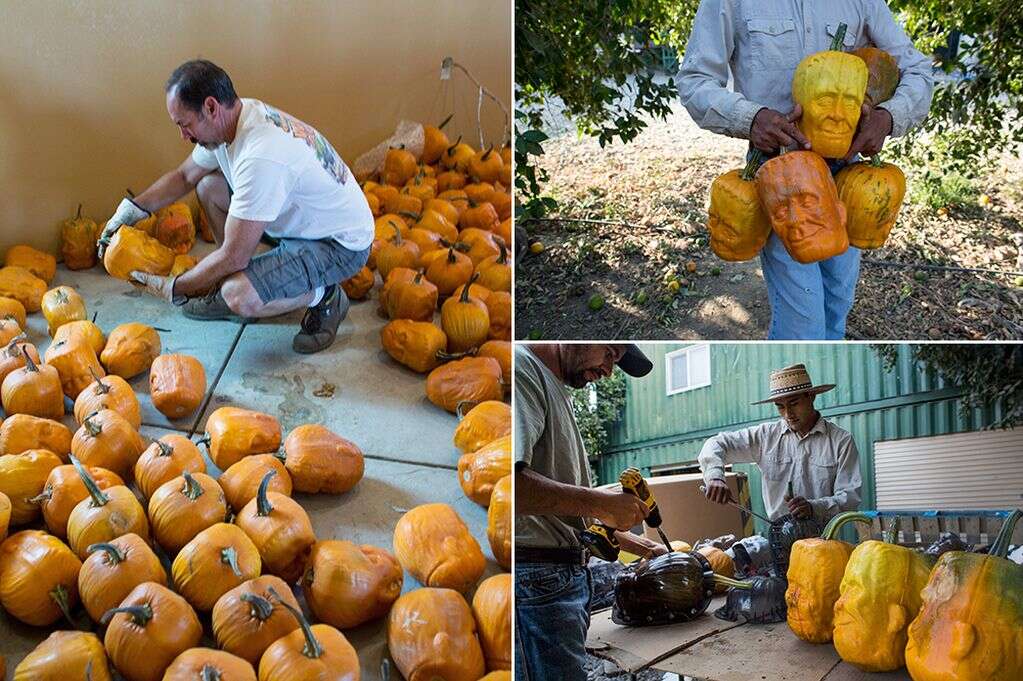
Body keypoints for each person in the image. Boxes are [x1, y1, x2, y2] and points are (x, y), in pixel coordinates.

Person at [678, 2, 935, 340]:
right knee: (803, 320)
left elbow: (917, 69)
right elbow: (695, 81)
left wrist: (889, 117)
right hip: (781, 175)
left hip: (846, 175)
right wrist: (751, 118)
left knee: (836, 304)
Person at [100, 59, 373, 354]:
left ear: (211, 107)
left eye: (185, 124)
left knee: (238, 294)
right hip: (298, 222)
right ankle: (257, 281)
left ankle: (327, 296)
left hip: (338, 245)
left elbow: (234, 256)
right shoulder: (236, 119)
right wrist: (131, 210)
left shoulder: (260, 155)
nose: (184, 136)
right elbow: (184, 177)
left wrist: (175, 288)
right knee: (208, 186)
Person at [515, 343, 664, 681]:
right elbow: (514, 486)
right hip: (538, 581)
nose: (609, 370)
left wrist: (644, 548)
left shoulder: (559, 390)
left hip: (557, 582)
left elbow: (569, 513)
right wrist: (600, 502)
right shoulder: (524, 368)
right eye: (609, 353)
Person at [699, 363, 862, 523]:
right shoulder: (765, 437)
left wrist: (814, 508)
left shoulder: (841, 441)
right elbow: (716, 443)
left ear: (811, 396)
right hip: (778, 539)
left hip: (825, 542)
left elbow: (849, 497)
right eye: (780, 407)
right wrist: (715, 477)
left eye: (794, 403)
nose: (788, 414)